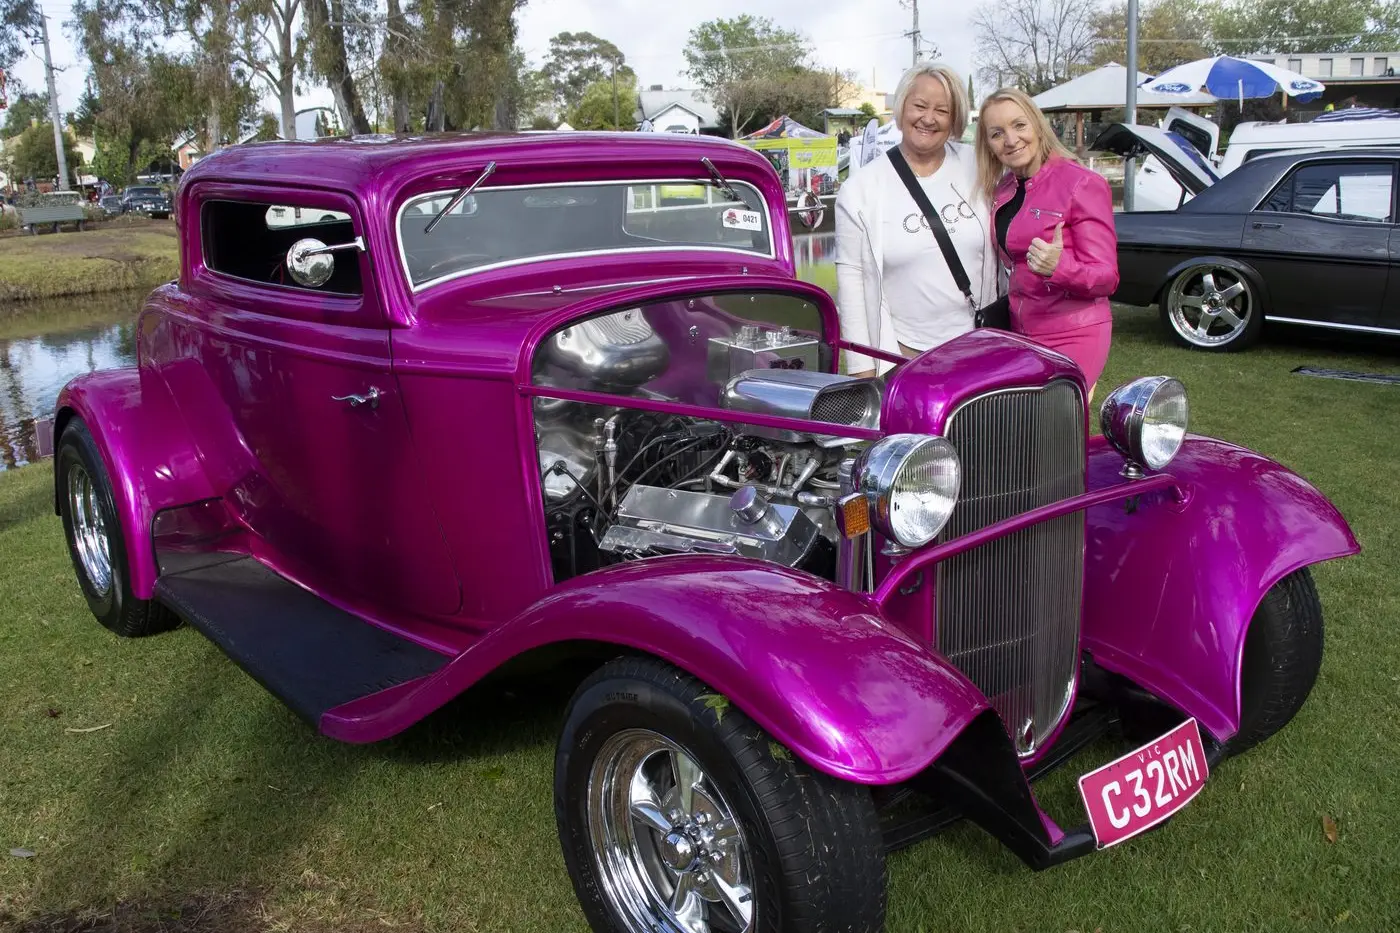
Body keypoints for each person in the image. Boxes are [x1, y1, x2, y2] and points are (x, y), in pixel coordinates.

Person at [834, 62, 995, 377]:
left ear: (956, 119)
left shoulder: (979, 168)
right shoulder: (861, 189)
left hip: (978, 350)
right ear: (901, 107)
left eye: (942, 110)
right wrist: (861, 368)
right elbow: (852, 280)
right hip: (905, 358)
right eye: (919, 106)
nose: (929, 118)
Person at [975, 87, 1118, 396]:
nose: (1011, 140)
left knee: (1056, 429)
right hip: (1022, 331)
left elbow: (1107, 278)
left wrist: (1059, 266)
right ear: (988, 144)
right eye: (997, 133)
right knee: (1024, 430)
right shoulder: (1003, 190)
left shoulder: (1082, 183)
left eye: (1019, 125)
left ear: (1038, 126)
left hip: (1074, 332)